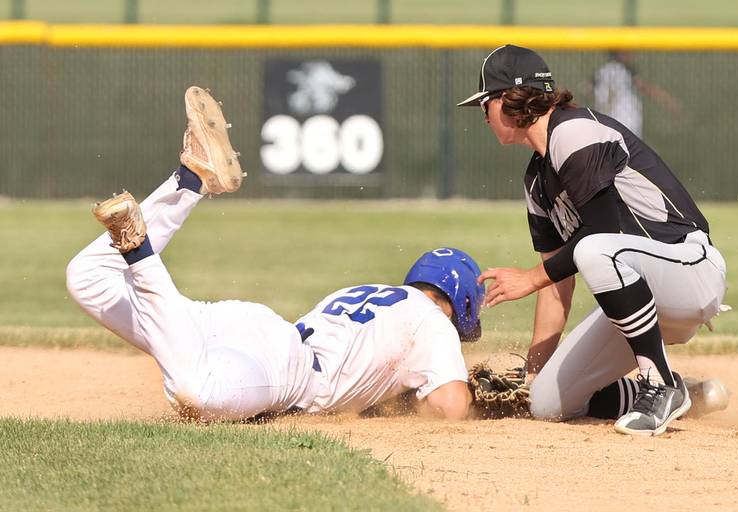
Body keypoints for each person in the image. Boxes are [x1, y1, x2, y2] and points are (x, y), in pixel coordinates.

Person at [66, 86, 484, 422]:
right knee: (196, 395)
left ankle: (190, 180)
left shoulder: (379, 294)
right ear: (460, 305)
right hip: (286, 373)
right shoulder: (434, 324)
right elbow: (449, 406)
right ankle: (138, 251)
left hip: (249, 328)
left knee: (87, 278)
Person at [458, 45, 728, 436]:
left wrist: (531, 277)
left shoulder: (574, 130)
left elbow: (601, 232)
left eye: (486, 103)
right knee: (547, 403)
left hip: (688, 269)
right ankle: (687, 392)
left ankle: (660, 384)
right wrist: (534, 374)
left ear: (509, 100)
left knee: (593, 248)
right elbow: (557, 287)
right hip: (638, 301)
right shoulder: (536, 180)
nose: (484, 116)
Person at [592, 51, 683, 138]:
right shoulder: (626, 70)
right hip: (627, 123)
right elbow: (646, 88)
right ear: (619, 53)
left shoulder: (601, 71)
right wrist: (670, 103)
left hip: (606, 125)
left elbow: (588, 90)